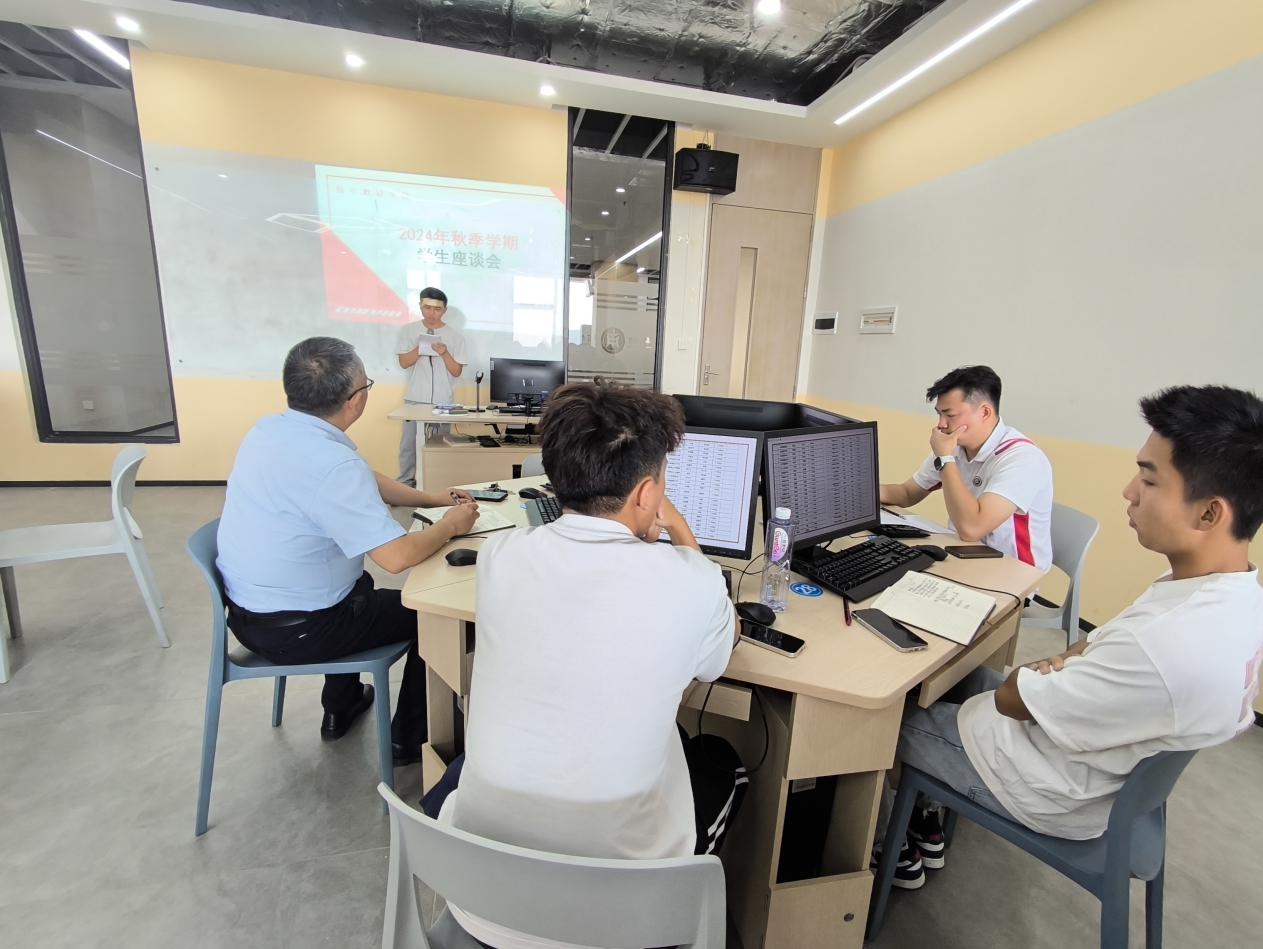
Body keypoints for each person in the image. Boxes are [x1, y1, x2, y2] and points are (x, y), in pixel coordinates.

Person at [880, 384, 1263, 890]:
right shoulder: (1227, 594)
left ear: (1210, 513)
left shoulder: (1165, 645)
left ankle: (887, 845)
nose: (1129, 491)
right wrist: (1064, 666)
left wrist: (1046, 671)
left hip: (1046, 787)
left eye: (1149, 479)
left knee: (874, 722)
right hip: (1085, 754)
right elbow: (1096, 644)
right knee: (950, 676)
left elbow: (1013, 698)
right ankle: (924, 819)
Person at [430, 382, 746, 949]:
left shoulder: (500, 557)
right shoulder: (689, 580)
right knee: (722, 760)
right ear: (647, 493)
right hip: (620, 913)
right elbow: (715, 659)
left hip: (481, 894)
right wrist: (680, 534)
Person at [217, 336, 480, 764]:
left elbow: (365, 478)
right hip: (303, 630)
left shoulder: (270, 431)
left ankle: (341, 705)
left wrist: (431, 499)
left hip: (249, 616)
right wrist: (450, 525)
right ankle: (410, 739)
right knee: (436, 615)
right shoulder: (335, 466)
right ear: (355, 401)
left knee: (357, 584)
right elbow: (396, 558)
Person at [880, 365, 1054, 571]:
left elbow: (972, 529)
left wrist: (945, 458)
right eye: (939, 414)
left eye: (950, 415)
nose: (941, 424)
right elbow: (907, 493)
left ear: (984, 412)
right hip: (963, 557)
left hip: (1014, 574)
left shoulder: (1023, 458)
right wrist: (855, 492)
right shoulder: (954, 447)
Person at [396, 287, 467, 486]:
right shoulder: (408, 331)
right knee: (409, 444)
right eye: (427, 307)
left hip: (443, 400)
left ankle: (438, 482)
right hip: (415, 397)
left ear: (444, 310)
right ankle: (406, 483)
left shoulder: (455, 336)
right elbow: (404, 362)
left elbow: (456, 371)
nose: (432, 313)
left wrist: (444, 353)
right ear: (420, 306)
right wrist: (420, 349)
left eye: (437, 309)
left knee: (440, 445)